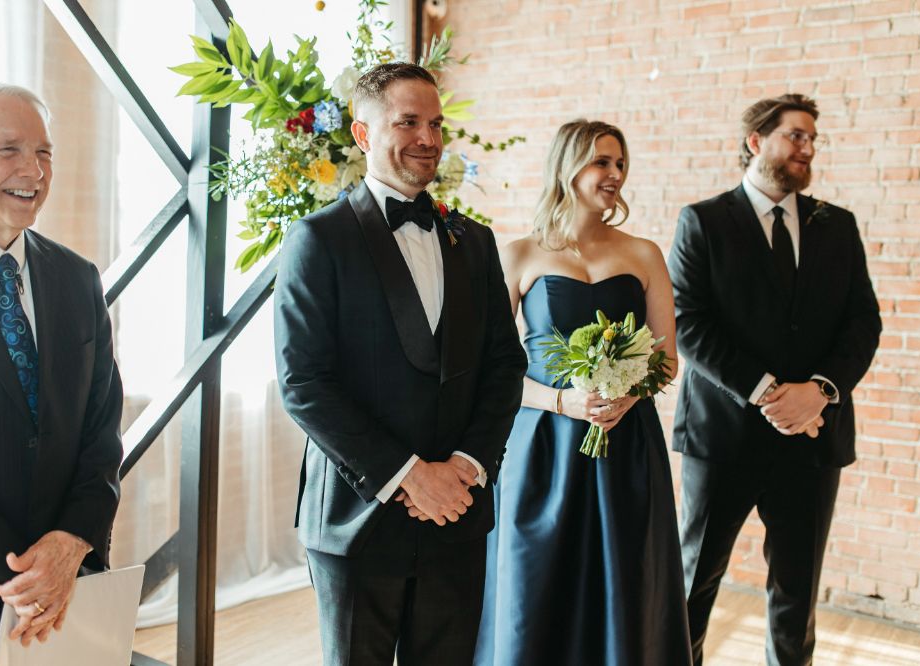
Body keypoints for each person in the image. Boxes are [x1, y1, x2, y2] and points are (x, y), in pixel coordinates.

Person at [274, 63, 527, 666]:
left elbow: (503, 365)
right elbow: (304, 383)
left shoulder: (476, 241)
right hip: (358, 519)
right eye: (408, 121)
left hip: (457, 519)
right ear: (363, 135)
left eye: (436, 124)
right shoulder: (318, 239)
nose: (428, 138)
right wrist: (409, 475)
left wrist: (466, 465)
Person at [668, 93, 881, 665]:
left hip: (813, 438)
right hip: (723, 438)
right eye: (796, 135)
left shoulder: (838, 226)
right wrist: (767, 393)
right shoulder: (704, 221)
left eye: (813, 139)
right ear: (757, 141)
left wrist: (820, 392)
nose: (807, 148)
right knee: (693, 582)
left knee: (796, 594)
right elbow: (688, 322)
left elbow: (863, 323)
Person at [474, 120, 692, 665]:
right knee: (535, 574)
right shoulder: (519, 255)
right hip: (541, 443)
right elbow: (490, 371)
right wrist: (564, 402)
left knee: (624, 574)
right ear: (568, 168)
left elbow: (667, 361)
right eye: (601, 162)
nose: (614, 173)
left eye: (619, 163)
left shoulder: (644, 254)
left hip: (627, 443)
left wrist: (629, 393)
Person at [0, 83, 124, 663]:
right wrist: (21, 577)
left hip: (70, 592)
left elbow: (101, 431)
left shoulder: (77, 277)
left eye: (44, 152)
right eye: (8, 149)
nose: (33, 170)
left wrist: (70, 544)